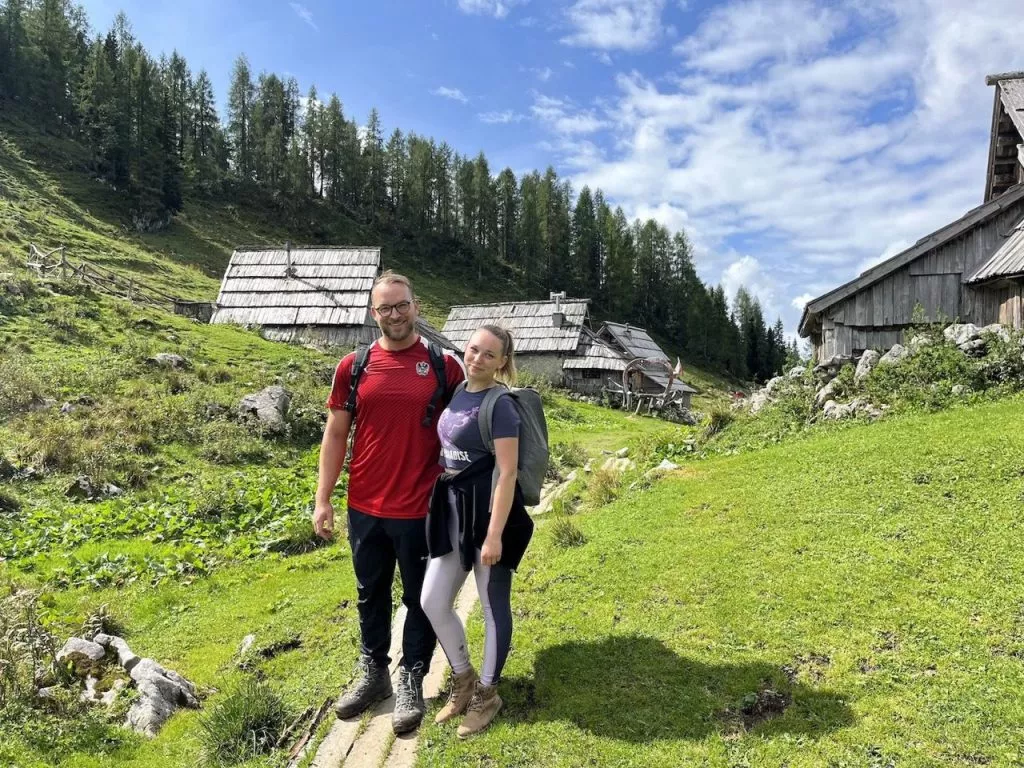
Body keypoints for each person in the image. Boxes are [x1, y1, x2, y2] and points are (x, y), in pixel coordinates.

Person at [314, 270, 464, 735]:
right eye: (385, 307)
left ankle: (412, 677)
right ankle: (374, 673)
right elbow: (336, 434)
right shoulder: (353, 366)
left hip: (422, 507)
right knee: (369, 594)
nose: (394, 314)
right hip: (364, 505)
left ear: (416, 306)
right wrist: (323, 499)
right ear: (372, 313)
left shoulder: (445, 366)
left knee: (420, 598)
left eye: (402, 305)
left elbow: (467, 432)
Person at [420, 324, 534, 739]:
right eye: (473, 350)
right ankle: (464, 678)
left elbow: (506, 473)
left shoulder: (500, 404)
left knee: (491, 604)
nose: (478, 359)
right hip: (452, 513)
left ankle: (488, 694)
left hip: (488, 518)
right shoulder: (457, 393)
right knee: (432, 600)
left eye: (489, 354)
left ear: (503, 361)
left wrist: (494, 535)